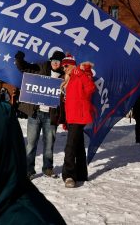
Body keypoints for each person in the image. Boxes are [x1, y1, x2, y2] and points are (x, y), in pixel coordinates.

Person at [14, 50, 65, 178]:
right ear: (50, 60)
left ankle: (48, 168)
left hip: (51, 115)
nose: (55, 63)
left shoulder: (64, 76)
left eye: (58, 62)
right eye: (53, 60)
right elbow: (24, 68)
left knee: (49, 144)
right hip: (35, 113)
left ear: (61, 64)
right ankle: (28, 170)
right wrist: (19, 59)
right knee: (31, 144)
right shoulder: (41, 67)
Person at [60, 56, 96, 188]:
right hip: (72, 117)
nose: (64, 68)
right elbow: (69, 102)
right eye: (63, 66)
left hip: (79, 116)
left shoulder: (82, 74)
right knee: (79, 145)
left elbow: (90, 88)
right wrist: (66, 120)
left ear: (72, 65)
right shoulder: (68, 80)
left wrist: (79, 72)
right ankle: (81, 174)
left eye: (66, 66)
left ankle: (69, 175)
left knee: (70, 146)